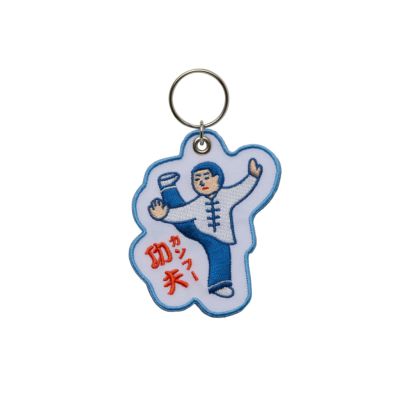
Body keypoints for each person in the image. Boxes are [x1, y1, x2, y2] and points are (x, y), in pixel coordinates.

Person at [148, 159, 262, 298]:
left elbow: (241, 190)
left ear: (217, 178)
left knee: (186, 224)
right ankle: (218, 285)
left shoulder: (227, 195)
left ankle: (168, 187)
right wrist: (163, 215)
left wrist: (253, 177)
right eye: (197, 179)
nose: (202, 183)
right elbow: (182, 212)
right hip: (201, 231)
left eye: (206, 178)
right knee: (218, 249)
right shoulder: (198, 203)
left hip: (218, 234)